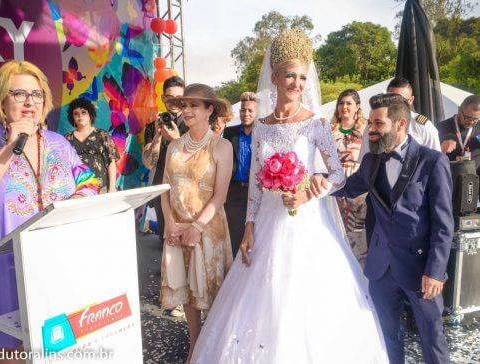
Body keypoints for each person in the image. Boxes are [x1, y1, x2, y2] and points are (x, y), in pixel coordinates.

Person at [191, 29, 388, 364]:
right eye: (290, 76)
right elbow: (255, 180)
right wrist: (250, 225)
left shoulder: (316, 125)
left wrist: (311, 188)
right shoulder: (263, 127)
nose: (297, 83)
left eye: (301, 76)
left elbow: (338, 175)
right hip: (267, 224)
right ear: (275, 77)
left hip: (308, 226)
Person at [0, 60, 99, 361]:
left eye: (37, 94)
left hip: (57, 264)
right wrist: (12, 145)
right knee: (11, 353)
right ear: (3, 100)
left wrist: (77, 198)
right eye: (19, 94)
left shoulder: (59, 143)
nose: (30, 102)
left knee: (59, 347)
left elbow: (89, 179)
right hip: (1, 270)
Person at [329, 93, 453, 364]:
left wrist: (435, 271)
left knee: (432, 339)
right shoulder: (371, 161)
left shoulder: (433, 161)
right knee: (386, 338)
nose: (370, 130)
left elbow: (444, 225)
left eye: (378, 124)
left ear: (399, 124)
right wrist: (313, 184)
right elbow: (349, 187)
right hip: (381, 269)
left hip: (421, 269)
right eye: (371, 123)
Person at [159, 83, 234, 363]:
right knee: (188, 295)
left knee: (211, 292)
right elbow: (164, 188)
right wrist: (169, 223)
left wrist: (197, 228)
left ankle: (214, 349)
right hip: (177, 230)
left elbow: (220, 195)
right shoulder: (174, 146)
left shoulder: (221, 145)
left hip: (208, 230)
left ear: (209, 110)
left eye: (194, 105)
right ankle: (195, 345)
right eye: (184, 105)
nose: (187, 110)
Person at [143, 76, 187, 242]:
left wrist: (177, 139)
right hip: (163, 189)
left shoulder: (194, 125)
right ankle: (167, 268)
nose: (174, 102)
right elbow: (149, 164)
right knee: (166, 236)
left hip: (188, 188)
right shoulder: (152, 126)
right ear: (163, 98)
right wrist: (157, 136)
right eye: (169, 98)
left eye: (179, 98)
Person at [331, 89, 368, 266]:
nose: (344, 107)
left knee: (358, 235)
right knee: (336, 232)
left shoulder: (366, 129)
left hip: (358, 191)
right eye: (341, 103)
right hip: (336, 188)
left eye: (348, 103)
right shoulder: (330, 130)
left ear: (357, 107)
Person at [359, 76, 440, 158]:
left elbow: (434, 160)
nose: (395, 104)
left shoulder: (423, 127)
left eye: (401, 100)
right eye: (391, 98)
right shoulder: (372, 128)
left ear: (411, 100)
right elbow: (364, 159)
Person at [223, 91, 257, 257]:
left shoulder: (262, 133)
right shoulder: (230, 133)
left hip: (256, 191)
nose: (246, 113)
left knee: (256, 235)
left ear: (257, 112)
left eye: (250, 110)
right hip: (234, 191)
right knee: (235, 236)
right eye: (243, 110)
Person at [65, 97, 119, 193]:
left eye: (83, 112)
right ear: (72, 117)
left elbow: (111, 162)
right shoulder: (67, 139)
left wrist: (112, 188)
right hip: (77, 192)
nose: (80, 116)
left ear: (90, 114)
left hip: (102, 189)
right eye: (76, 113)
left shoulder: (102, 135)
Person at [437, 94, 480, 166]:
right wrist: (441, 149)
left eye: (475, 119)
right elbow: (429, 155)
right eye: (468, 117)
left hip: (475, 175)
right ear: (459, 110)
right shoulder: (441, 127)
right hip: (449, 174)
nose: (471, 122)